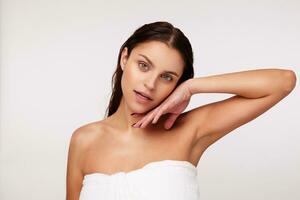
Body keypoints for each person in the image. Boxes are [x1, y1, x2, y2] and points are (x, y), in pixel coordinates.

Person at [66, 21, 297, 200]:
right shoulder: (85, 140)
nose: (150, 84)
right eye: (143, 66)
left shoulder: (189, 130)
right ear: (125, 58)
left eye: (167, 77)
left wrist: (191, 87)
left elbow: (283, 82)